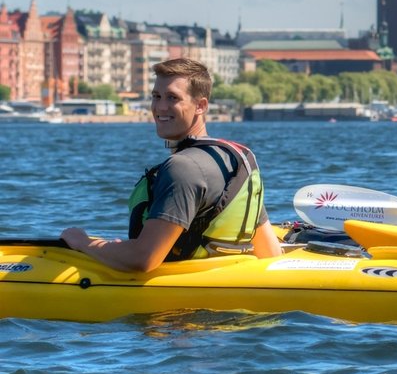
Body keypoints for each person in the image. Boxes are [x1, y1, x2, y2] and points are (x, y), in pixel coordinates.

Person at [60, 57, 282, 272]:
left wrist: (84, 243)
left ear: (200, 106)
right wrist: (117, 249)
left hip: (184, 305)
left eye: (172, 98)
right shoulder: (239, 158)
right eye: (156, 96)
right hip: (229, 284)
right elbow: (270, 251)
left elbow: (143, 259)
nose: (160, 107)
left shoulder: (182, 168)